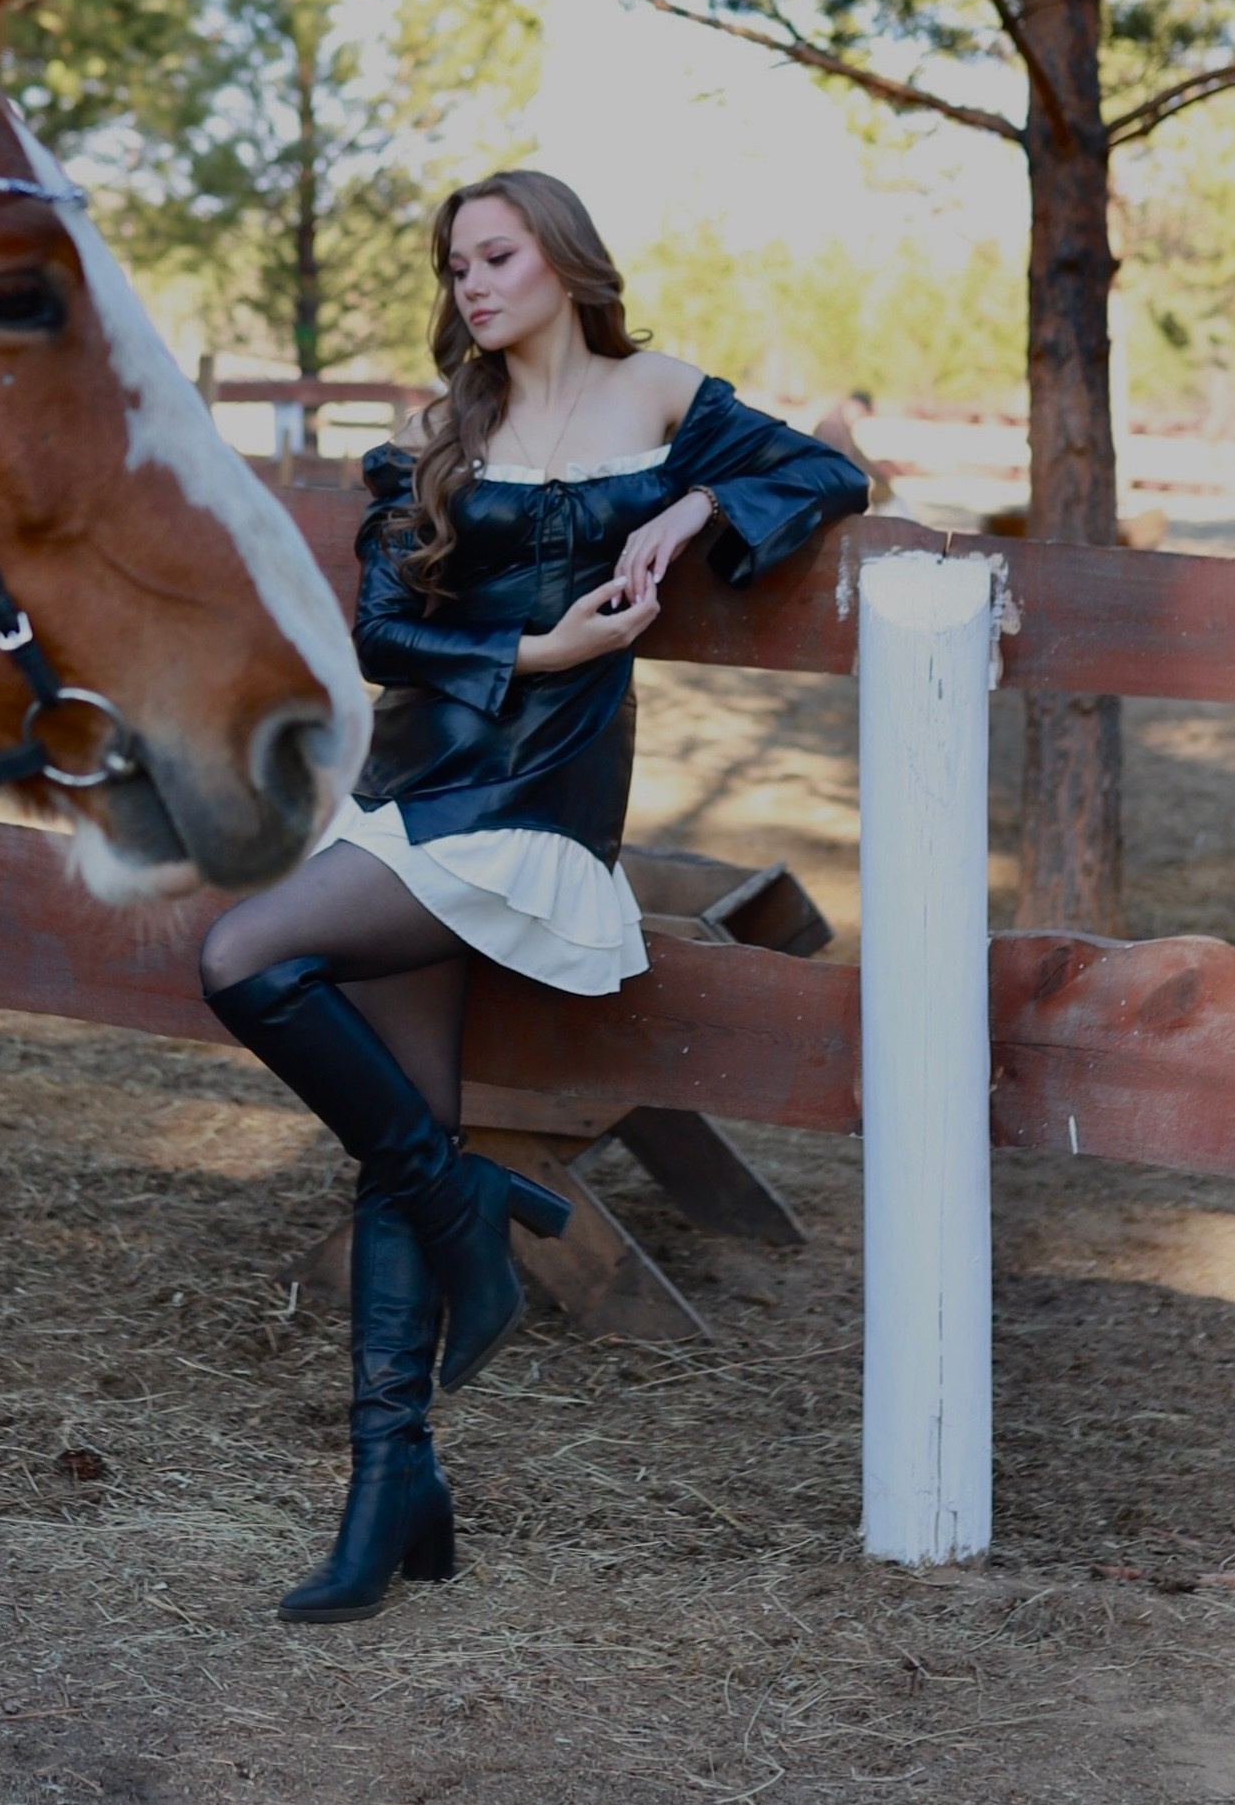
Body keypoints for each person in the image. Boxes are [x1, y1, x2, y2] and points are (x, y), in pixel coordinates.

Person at [200, 172, 870, 1624]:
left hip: (541, 799)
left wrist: (693, 505)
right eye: (456, 266)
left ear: (564, 258)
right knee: (373, 1094)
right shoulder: (445, 432)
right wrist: (540, 652)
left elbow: (827, 475)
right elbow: (384, 632)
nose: (473, 284)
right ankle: (395, 1484)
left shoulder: (662, 395)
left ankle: (459, 1216)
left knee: (246, 954)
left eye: (496, 255)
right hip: (418, 785)